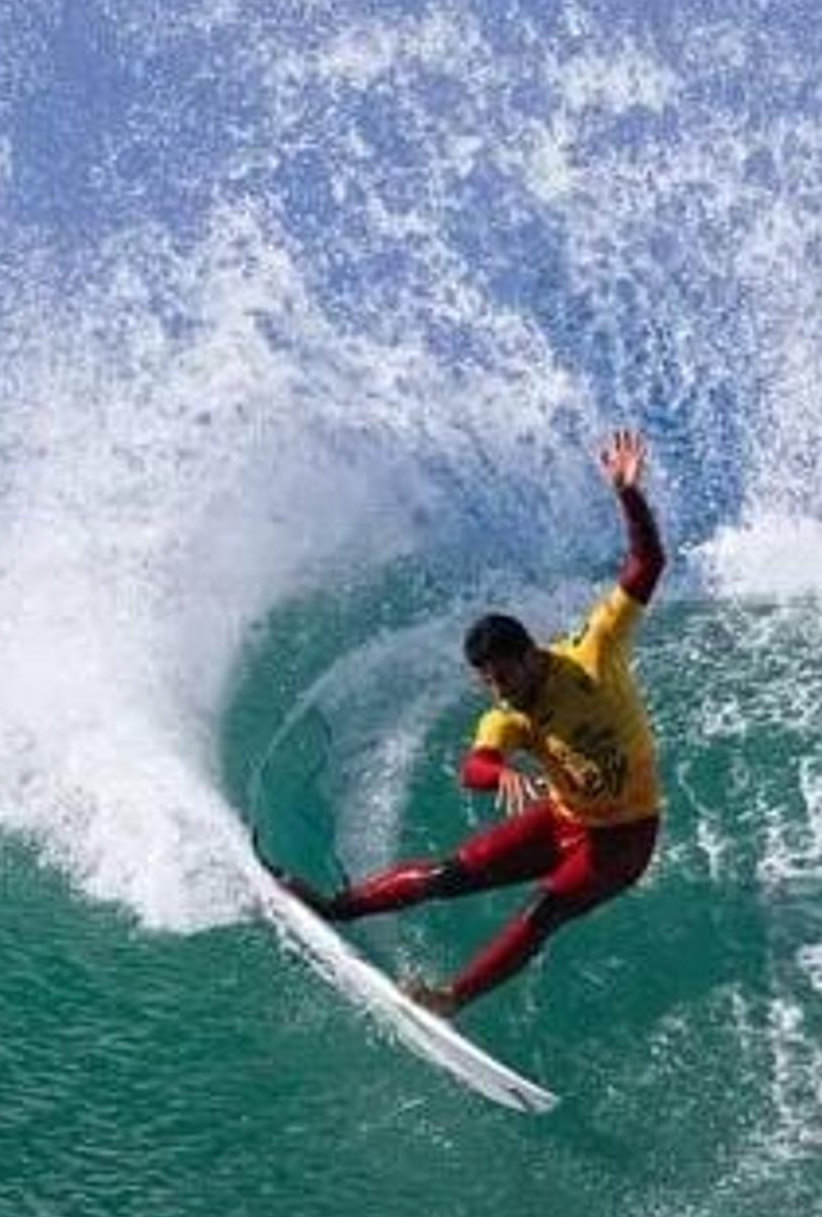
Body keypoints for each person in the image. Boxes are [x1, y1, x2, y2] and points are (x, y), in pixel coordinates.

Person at [279, 426, 667, 1018]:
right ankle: (337, 908)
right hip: (564, 818)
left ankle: (450, 999)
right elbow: (476, 765)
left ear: (528, 654)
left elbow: (647, 563)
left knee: (543, 912)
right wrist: (500, 773)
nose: (495, 691)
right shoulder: (506, 715)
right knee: (444, 875)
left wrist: (628, 496)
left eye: (500, 676)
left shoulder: (595, 651)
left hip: (624, 837)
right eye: (484, 681)